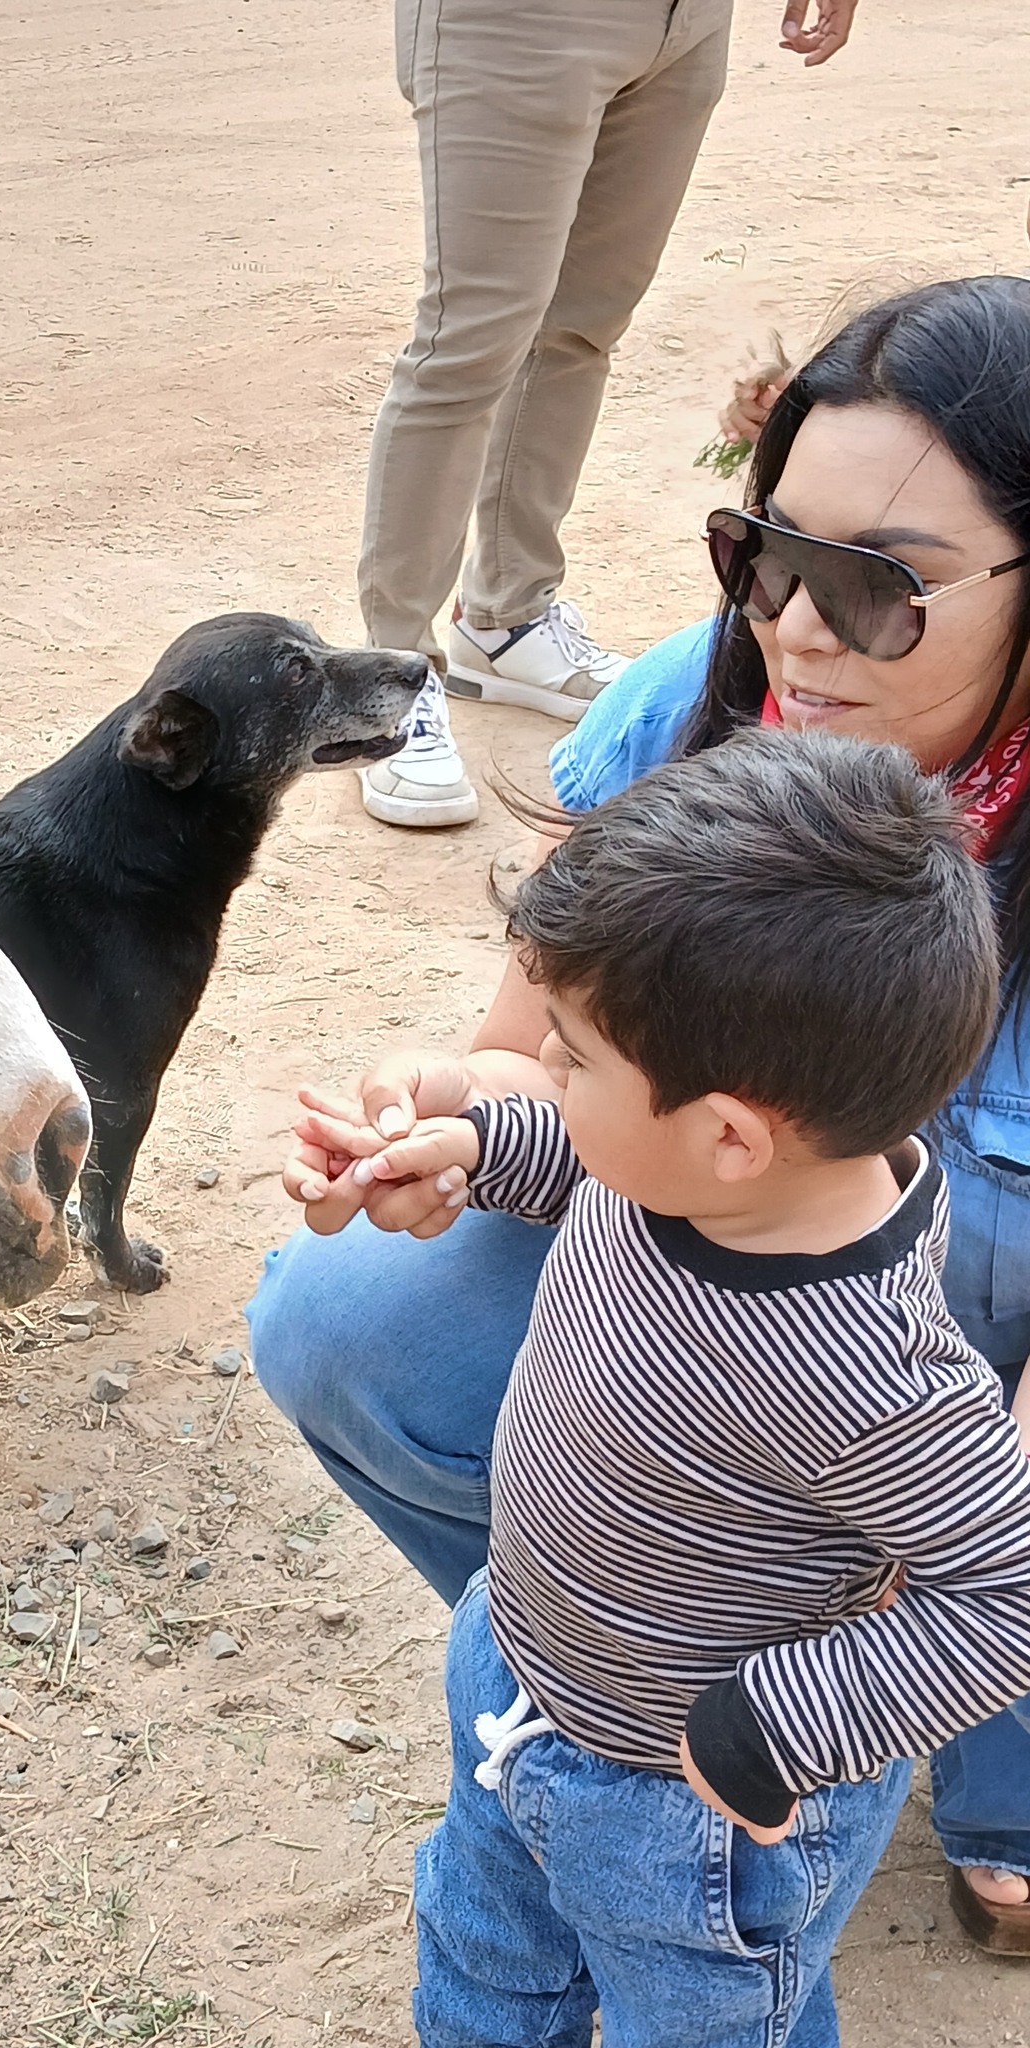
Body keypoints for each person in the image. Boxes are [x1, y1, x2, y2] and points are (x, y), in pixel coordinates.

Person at [248, 274, 1030, 1952]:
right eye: (763, 555)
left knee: (987, 1605)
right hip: (747, 1321)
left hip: (978, 1420)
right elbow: (539, 1052)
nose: (795, 631)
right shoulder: (699, 696)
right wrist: (449, 1121)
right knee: (341, 1318)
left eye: (875, 585)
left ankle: (955, 1746)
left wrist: (917, 1625)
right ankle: (634, 1663)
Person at [303, 731, 1030, 2046]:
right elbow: (589, 1164)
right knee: (479, 1972)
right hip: (522, 1666)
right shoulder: (699, 1172)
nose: (549, 1072)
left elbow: (1003, 1592)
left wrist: (780, 1723)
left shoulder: (868, 1372)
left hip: (694, 1810)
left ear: (731, 1135)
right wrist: (470, 1139)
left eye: (571, 1058)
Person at [356, 0, 860, 830]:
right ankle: (390, 678)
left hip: (685, 21)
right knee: (470, 341)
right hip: (522, 19)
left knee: (581, 327)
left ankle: (508, 619)